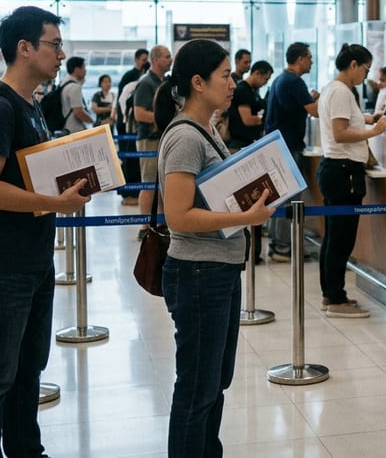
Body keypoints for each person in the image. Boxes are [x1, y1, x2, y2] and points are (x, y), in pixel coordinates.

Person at [0, 5, 92, 458]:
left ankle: (25, 448)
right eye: (54, 44)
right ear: (24, 48)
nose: (61, 54)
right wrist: (56, 203)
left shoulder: (32, 105)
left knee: (27, 368)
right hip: (3, 262)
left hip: (34, 258)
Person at [154, 39, 274, 457]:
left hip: (218, 270)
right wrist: (245, 218)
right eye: (226, 76)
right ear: (198, 83)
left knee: (214, 382)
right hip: (198, 272)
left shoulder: (205, 129)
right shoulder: (185, 137)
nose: (233, 84)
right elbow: (179, 216)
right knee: (197, 387)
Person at [317, 45, 386, 318]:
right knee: (341, 239)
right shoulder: (340, 91)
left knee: (335, 237)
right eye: (365, 68)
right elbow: (340, 133)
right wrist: (373, 130)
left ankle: (331, 294)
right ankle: (336, 299)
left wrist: (368, 119)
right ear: (353, 64)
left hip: (337, 170)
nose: (366, 74)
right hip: (343, 171)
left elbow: (347, 121)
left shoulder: (332, 89)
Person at [263, 42, 320, 262]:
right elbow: (314, 112)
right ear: (300, 59)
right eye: (309, 58)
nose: (312, 62)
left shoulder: (281, 79)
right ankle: (283, 248)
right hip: (288, 147)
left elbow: (297, 108)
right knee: (289, 198)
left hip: (278, 145)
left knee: (280, 197)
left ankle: (279, 245)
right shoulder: (294, 82)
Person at [134, 45, 174, 237]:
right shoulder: (146, 83)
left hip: (162, 138)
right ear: (156, 59)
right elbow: (139, 113)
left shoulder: (164, 82)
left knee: (161, 183)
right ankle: (144, 226)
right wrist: (163, 118)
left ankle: (158, 223)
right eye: (167, 57)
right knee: (149, 183)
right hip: (149, 140)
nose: (171, 60)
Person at [116, 48, 150, 205]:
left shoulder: (142, 81)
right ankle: (129, 194)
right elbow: (122, 102)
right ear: (137, 60)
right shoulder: (130, 78)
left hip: (136, 128)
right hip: (129, 127)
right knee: (130, 160)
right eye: (143, 59)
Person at [226, 59, 273, 152]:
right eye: (265, 79)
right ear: (257, 73)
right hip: (238, 144)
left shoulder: (253, 91)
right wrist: (263, 119)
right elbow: (248, 120)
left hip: (247, 142)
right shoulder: (243, 90)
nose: (265, 83)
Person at [60, 56, 93, 134]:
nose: (85, 71)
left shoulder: (64, 83)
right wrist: (92, 121)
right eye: (83, 68)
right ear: (76, 70)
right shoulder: (75, 87)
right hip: (75, 130)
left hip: (65, 127)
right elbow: (78, 112)